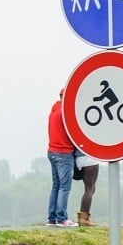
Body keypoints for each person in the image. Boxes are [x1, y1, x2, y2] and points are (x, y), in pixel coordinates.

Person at [46, 89, 77, 227]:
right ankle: (62, 218)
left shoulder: (54, 111)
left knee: (56, 186)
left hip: (52, 151)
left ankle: (52, 218)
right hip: (64, 153)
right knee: (65, 187)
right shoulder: (65, 114)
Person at [74, 149, 100, 226]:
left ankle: (82, 218)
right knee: (90, 188)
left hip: (78, 158)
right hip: (89, 157)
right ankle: (84, 218)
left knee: (89, 188)